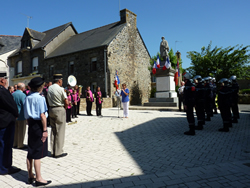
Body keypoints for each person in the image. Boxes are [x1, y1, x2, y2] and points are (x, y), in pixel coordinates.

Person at [23, 77, 51, 186]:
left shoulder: (28, 97)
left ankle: (30, 176)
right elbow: (42, 115)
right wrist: (45, 130)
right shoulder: (40, 98)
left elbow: (26, 115)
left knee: (30, 151)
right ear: (40, 87)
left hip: (31, 124)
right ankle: (39, 178)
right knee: (37, 153)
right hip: (39, 125)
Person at [0, 71, 20, 175]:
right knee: (6, 145)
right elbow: (11, 105)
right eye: (6, 79)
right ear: (2, 80)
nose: (7, 81)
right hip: (6, 121)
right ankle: (5, 167)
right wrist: (16, 113)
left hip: (2, 120)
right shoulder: (2, 91)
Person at [47, 74, 68, 158]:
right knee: (60, 131)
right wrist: (65, 109)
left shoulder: (49, 88)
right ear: (59, 80)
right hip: (59, 109)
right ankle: (58, 152)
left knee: (53, 131)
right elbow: (66, 101)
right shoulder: (61, 89)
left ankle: (53, 150)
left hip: (51, 109)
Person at [12, 83, 27, 149]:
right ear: (22, 88)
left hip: (13, 115)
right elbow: (24, 105)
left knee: (15, 130)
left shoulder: (12, 94)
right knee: (21, 130)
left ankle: (14, 143)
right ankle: (20, 144)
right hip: (21, 115)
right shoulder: (23, 95)